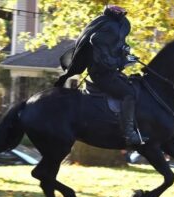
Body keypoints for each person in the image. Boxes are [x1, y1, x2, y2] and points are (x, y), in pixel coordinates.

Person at [54, 5, 148, 146]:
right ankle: (129, 133)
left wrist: (124, 52)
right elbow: (105, 61)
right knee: (128, 94)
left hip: (108, 72)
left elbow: (114, 49)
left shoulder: (108, 26)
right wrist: (123, 61)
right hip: (102, 74)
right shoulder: (103, 35)